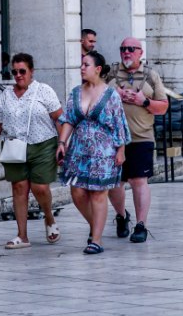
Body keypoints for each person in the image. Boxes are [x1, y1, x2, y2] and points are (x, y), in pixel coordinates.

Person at [0, 52, 63, 249]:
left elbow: (59, 118)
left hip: (43, 143)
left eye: (22, 71)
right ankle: (22, 235)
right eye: (15, 71)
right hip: (14, 146)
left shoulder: (44, 91)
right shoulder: (6, 95)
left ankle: (49, 217)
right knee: (19, 189)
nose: (18, 75)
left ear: (31, 71)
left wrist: (63, 144)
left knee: (40, 187)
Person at [57, 51, 130, 255]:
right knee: (77, 191)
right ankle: (95, 225)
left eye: (86, 65)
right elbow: (69, 119)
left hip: (104, 151)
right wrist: (62, 143)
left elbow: (119, 124)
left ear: (97, 69)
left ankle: (96, 240)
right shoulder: (75, 93)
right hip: (79, 150)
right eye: (81, 64)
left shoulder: (111, 95)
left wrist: (121, 149)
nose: (81, 68)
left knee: (98, 193)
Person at [108, 37, 168, 244]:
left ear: (140, 52)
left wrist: (144, 101)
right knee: (115, 182)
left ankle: (141, 225)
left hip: (142, 137)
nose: (126, 52)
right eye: (123, 48)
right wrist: (112, 94)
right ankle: (122, 216)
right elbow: (95, 93)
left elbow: (163, 107)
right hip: (114, 139)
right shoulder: (112, 74)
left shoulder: (151, 76)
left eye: (131, 49)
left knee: (139, 181)